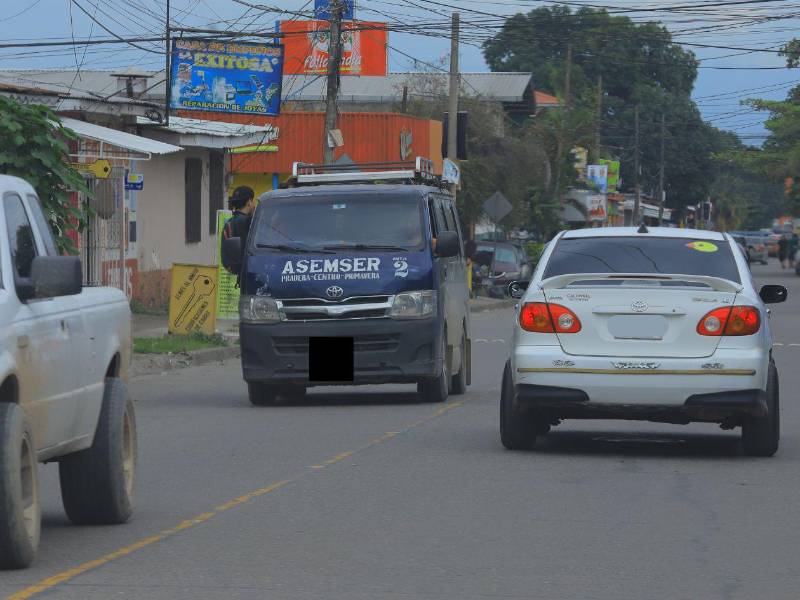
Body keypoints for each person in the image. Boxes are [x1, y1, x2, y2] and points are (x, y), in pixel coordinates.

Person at [221, 186, 256, 280]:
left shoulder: (229, 223)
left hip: (238, 273)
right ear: (249, 202)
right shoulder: (248, 222)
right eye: (253, 201)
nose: (254, 205)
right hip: (250, 274)